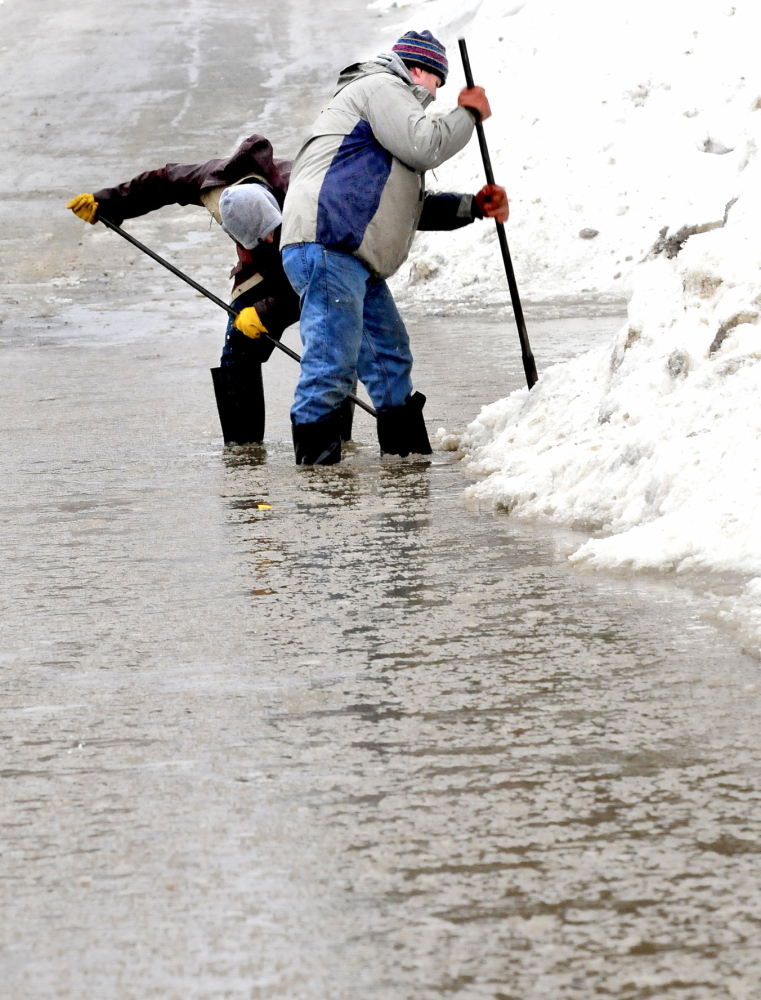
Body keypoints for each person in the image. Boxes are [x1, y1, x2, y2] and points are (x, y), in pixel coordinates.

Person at [280, 29, 509, 465]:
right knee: (331, 361)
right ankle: (317, 483)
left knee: (389, 355)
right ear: (418, 70)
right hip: (329, 241)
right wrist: (469, 114)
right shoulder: (382, 86)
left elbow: (406, 208)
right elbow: (427, 145)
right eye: (437, 85)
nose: (436, 95)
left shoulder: (389, 120)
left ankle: (405, 458)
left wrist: (473, 207)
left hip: (348, 251)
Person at [66, 134, 303, 446]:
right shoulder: (215, 182)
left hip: (315, 261)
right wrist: (108, 201)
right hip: (260, 270)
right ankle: (243, 452)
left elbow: (324, 283)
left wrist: (268, 311)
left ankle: (332, 440)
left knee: (329, 346)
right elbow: (163, 181)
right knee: (237, 349)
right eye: (256, 237)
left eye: (269, 230)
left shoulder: (301, 192)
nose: (268, 240)